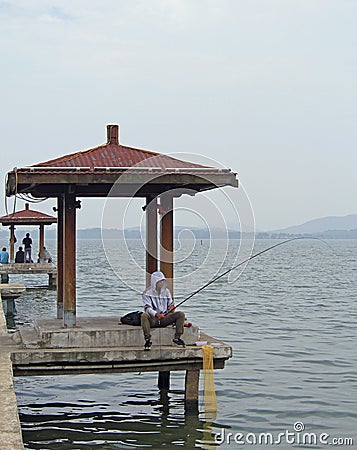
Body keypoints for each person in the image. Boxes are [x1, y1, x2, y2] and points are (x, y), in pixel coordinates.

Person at [141, 271, 186, 350]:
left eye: (162, 281)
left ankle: (177, 338)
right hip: (153, 319)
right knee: (144, 315)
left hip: (165, 317)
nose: (161, 283)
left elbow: (171, 304)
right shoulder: (146, 293)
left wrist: (172, 307)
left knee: (181, 314)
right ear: (155, 282)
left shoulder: (167, 292)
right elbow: (147, 308)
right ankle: (148, 339)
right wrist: (156, 314)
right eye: (159, 281)